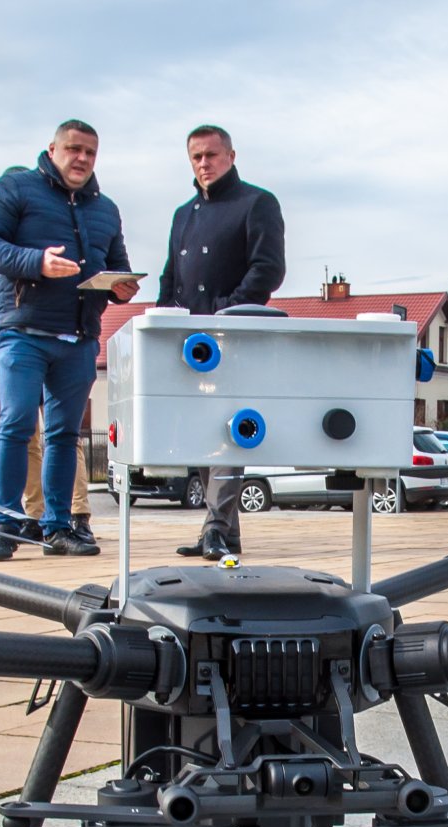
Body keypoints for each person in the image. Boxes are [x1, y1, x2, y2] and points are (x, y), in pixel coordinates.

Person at [0, 120, 140, 560]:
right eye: (73, 149)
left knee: (65, 435)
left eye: (90, 152)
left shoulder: (106, 209)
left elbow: (116, 263)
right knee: (17, 422)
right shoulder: (15, 189)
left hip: (79, 335)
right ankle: (4, 525)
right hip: (23, 330)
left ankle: (59, 527)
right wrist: (36, 262)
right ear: (52, 149)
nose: (82, 158)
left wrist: (121, 286)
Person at [157, 124, 287, 561]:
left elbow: (268, 270)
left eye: (211, 155)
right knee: (200, 433)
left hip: (234, 337)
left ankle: (215, 527)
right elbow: (171, 276)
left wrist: (226, 310)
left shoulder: (257, 203)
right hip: (189, 341)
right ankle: (224, 535)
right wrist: (163, 322)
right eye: (196, 157)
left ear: (231, 156)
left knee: (229, 432)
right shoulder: (183, 214)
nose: (203, 164)